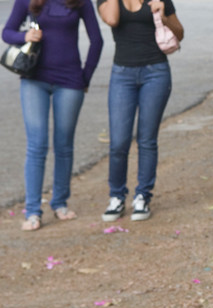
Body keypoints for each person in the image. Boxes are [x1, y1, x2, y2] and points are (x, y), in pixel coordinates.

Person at [2, 0, 103, 231]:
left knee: (64, 145)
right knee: (36, 145)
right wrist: (25, 36)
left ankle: (59, 203)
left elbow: (97, 40)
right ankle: (33, 211)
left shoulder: (80, 2)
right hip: (34, 80)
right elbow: (7, 32)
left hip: (70, 82)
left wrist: (85, 77)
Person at [96, 0, 183, 222]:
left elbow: (180, 33)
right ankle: (117, 196)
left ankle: (143, 196)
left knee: (147, 139)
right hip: (122, 75)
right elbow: (112, 19)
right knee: (118, 142)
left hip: (156, 72)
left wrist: (162, 17)